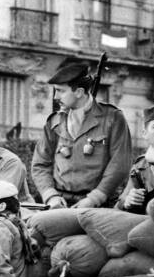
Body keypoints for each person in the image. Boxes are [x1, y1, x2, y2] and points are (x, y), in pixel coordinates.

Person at [31, 60, 132, 208]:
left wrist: (95, 198)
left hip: (98, 205)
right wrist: (50, 196)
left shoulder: (112, 118)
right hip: (60, 203)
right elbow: (40, 164)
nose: (55, 97)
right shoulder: (55, 122)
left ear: (79, 92)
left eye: (60, 91)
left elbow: (120, 164)